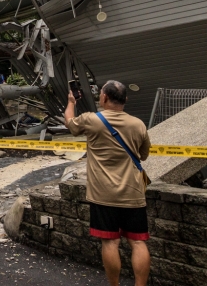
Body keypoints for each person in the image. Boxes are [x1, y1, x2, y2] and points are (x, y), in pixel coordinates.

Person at [65, 80, 151, 286]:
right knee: (138, 242)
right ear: (125, 100)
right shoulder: (138, 124)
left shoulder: (91, 120)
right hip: (133, 193)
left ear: (103, 98)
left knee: (110, 242)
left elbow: (69, 123)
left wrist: (71, 102)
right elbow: (144, 155)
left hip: (103, 195)